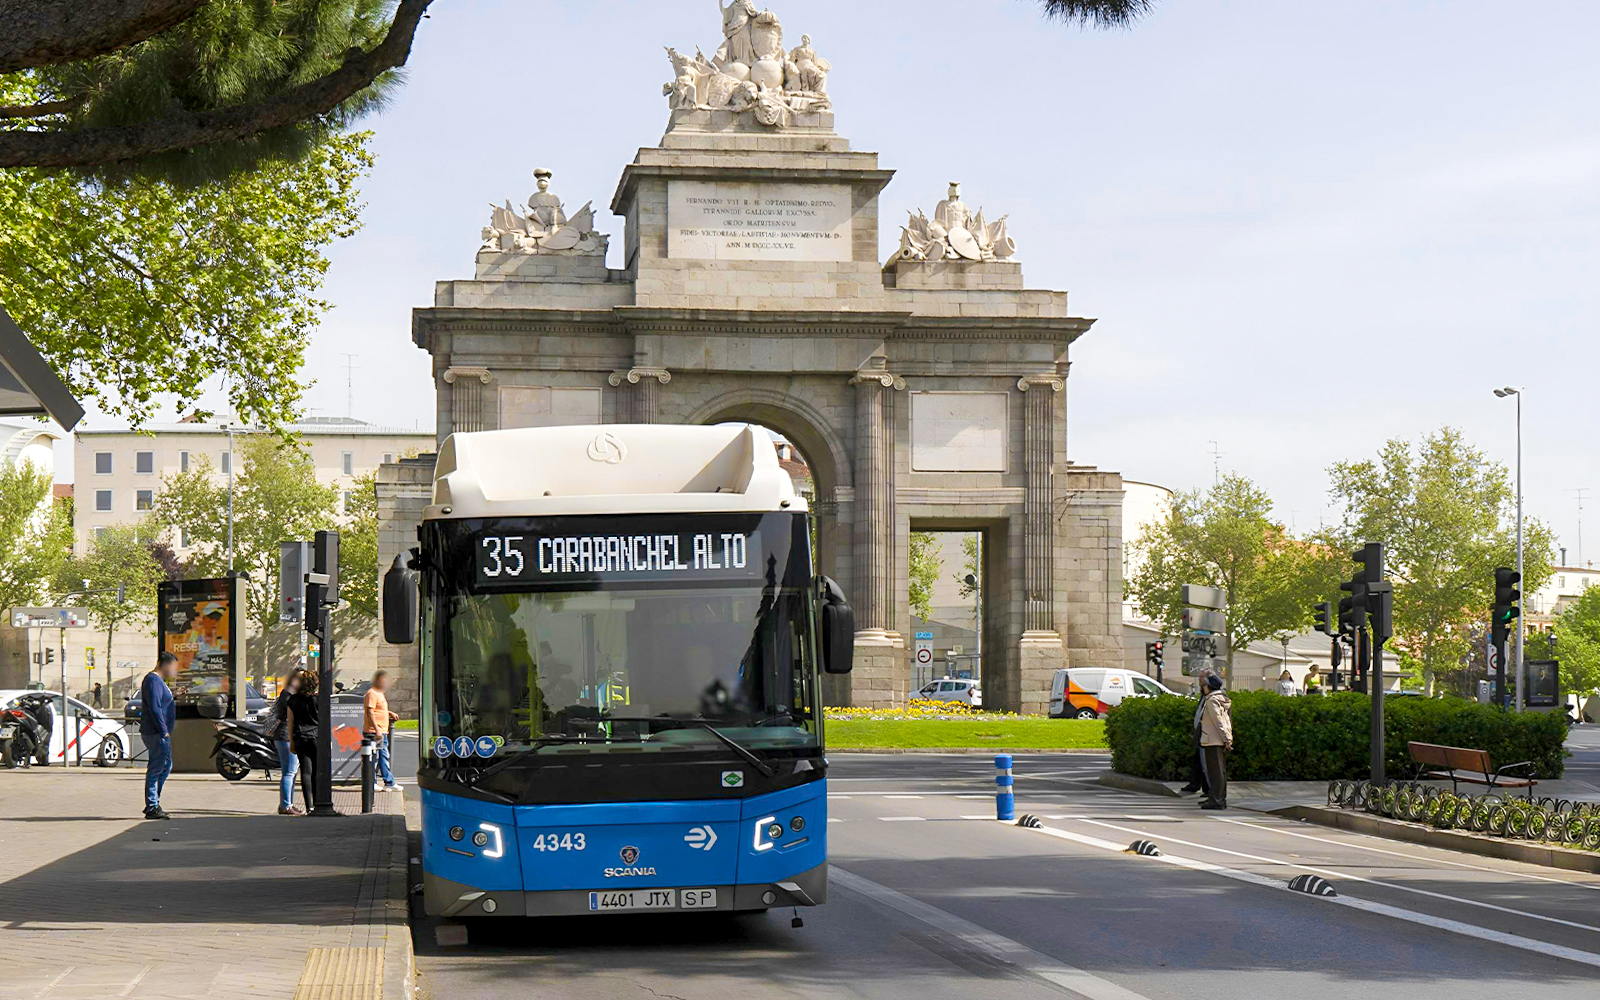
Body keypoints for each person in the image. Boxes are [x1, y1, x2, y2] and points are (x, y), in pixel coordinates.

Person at [140, 653, 178, 819]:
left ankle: (154, 802)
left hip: (158, 732)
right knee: (157, 768)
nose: (175, 671)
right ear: (165, 665)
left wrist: (174, 694)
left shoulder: (157, 682)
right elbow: (155, 707)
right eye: (174, 667)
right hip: (157, 733)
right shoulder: (153, 681)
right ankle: (152, 806)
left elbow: (160, 703)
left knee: (165, 766)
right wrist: (164, 731)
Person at [265, 669, 305, 815]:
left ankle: (288, 803)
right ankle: (286, 805)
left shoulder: (288, 693)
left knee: (291, 772)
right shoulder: (289, 694)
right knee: (289, 772)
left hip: (284, 736)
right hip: (285, 736)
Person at [284, 666, 320, 813]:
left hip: (300, 737)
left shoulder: (292, 700)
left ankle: (309, 806)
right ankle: (319, 803)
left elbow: (290, 722)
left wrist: (291, 742)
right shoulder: (318, 700)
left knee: (306, 771)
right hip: (317, 737)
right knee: (318, 772)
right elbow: (325, 720)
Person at [1198, 674, 1234, 810]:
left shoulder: (1212, 701)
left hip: (1213, 741)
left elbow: (1219, 722)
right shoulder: (1221, 699)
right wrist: (1227, 738)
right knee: (1220, 772)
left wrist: (1226, 739)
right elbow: (1226, 722)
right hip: (1218, 740)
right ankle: (1219, 798)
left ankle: (1216, 800)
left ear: (1210, 686)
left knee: (1215, 772)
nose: (1203, 687)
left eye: (1205, 685)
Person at [363, 670, 401, 793]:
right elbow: (370, 711)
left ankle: (388, 782)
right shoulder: (372, 693)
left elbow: (378, 710)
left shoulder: (379, 693)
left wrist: (389, 713)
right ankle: (373, 782)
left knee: (383, 757)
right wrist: (377, 729)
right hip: (374, 732)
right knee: (374, 758)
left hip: (381, 731)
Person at [1178, 667, 1214, 796]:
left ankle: (1210, 790)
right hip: (1201, 733)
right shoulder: (1204, 694)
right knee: (1199, 761)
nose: (1199, 680)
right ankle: (1196, 784)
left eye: (1201, 677)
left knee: (1207, 763)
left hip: (1208, 735)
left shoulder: (1213, 696)